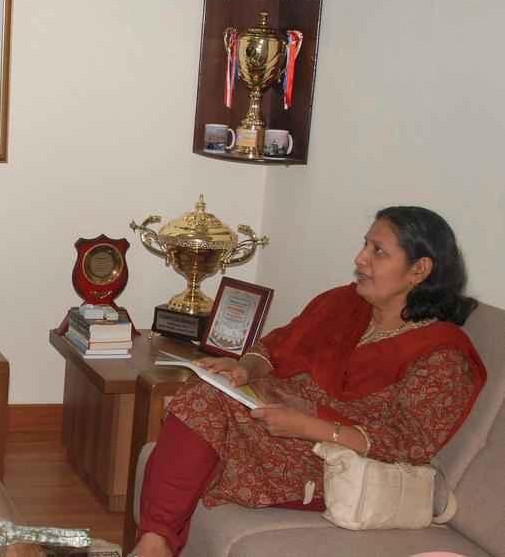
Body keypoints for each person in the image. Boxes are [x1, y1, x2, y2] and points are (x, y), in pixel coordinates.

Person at [134, 206, 487, 557]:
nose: (360, 258)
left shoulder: (441, 353)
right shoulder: (342, 304)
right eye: (365, 245)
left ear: (419, 270)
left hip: (334, 457)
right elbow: (273, 348)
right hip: (281, 418)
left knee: (201, 414)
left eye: (378, 251)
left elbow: (409, 443)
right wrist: (245, 370)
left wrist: (308, 427)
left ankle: (154, 544)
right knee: (206, 394)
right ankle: (154, 542)